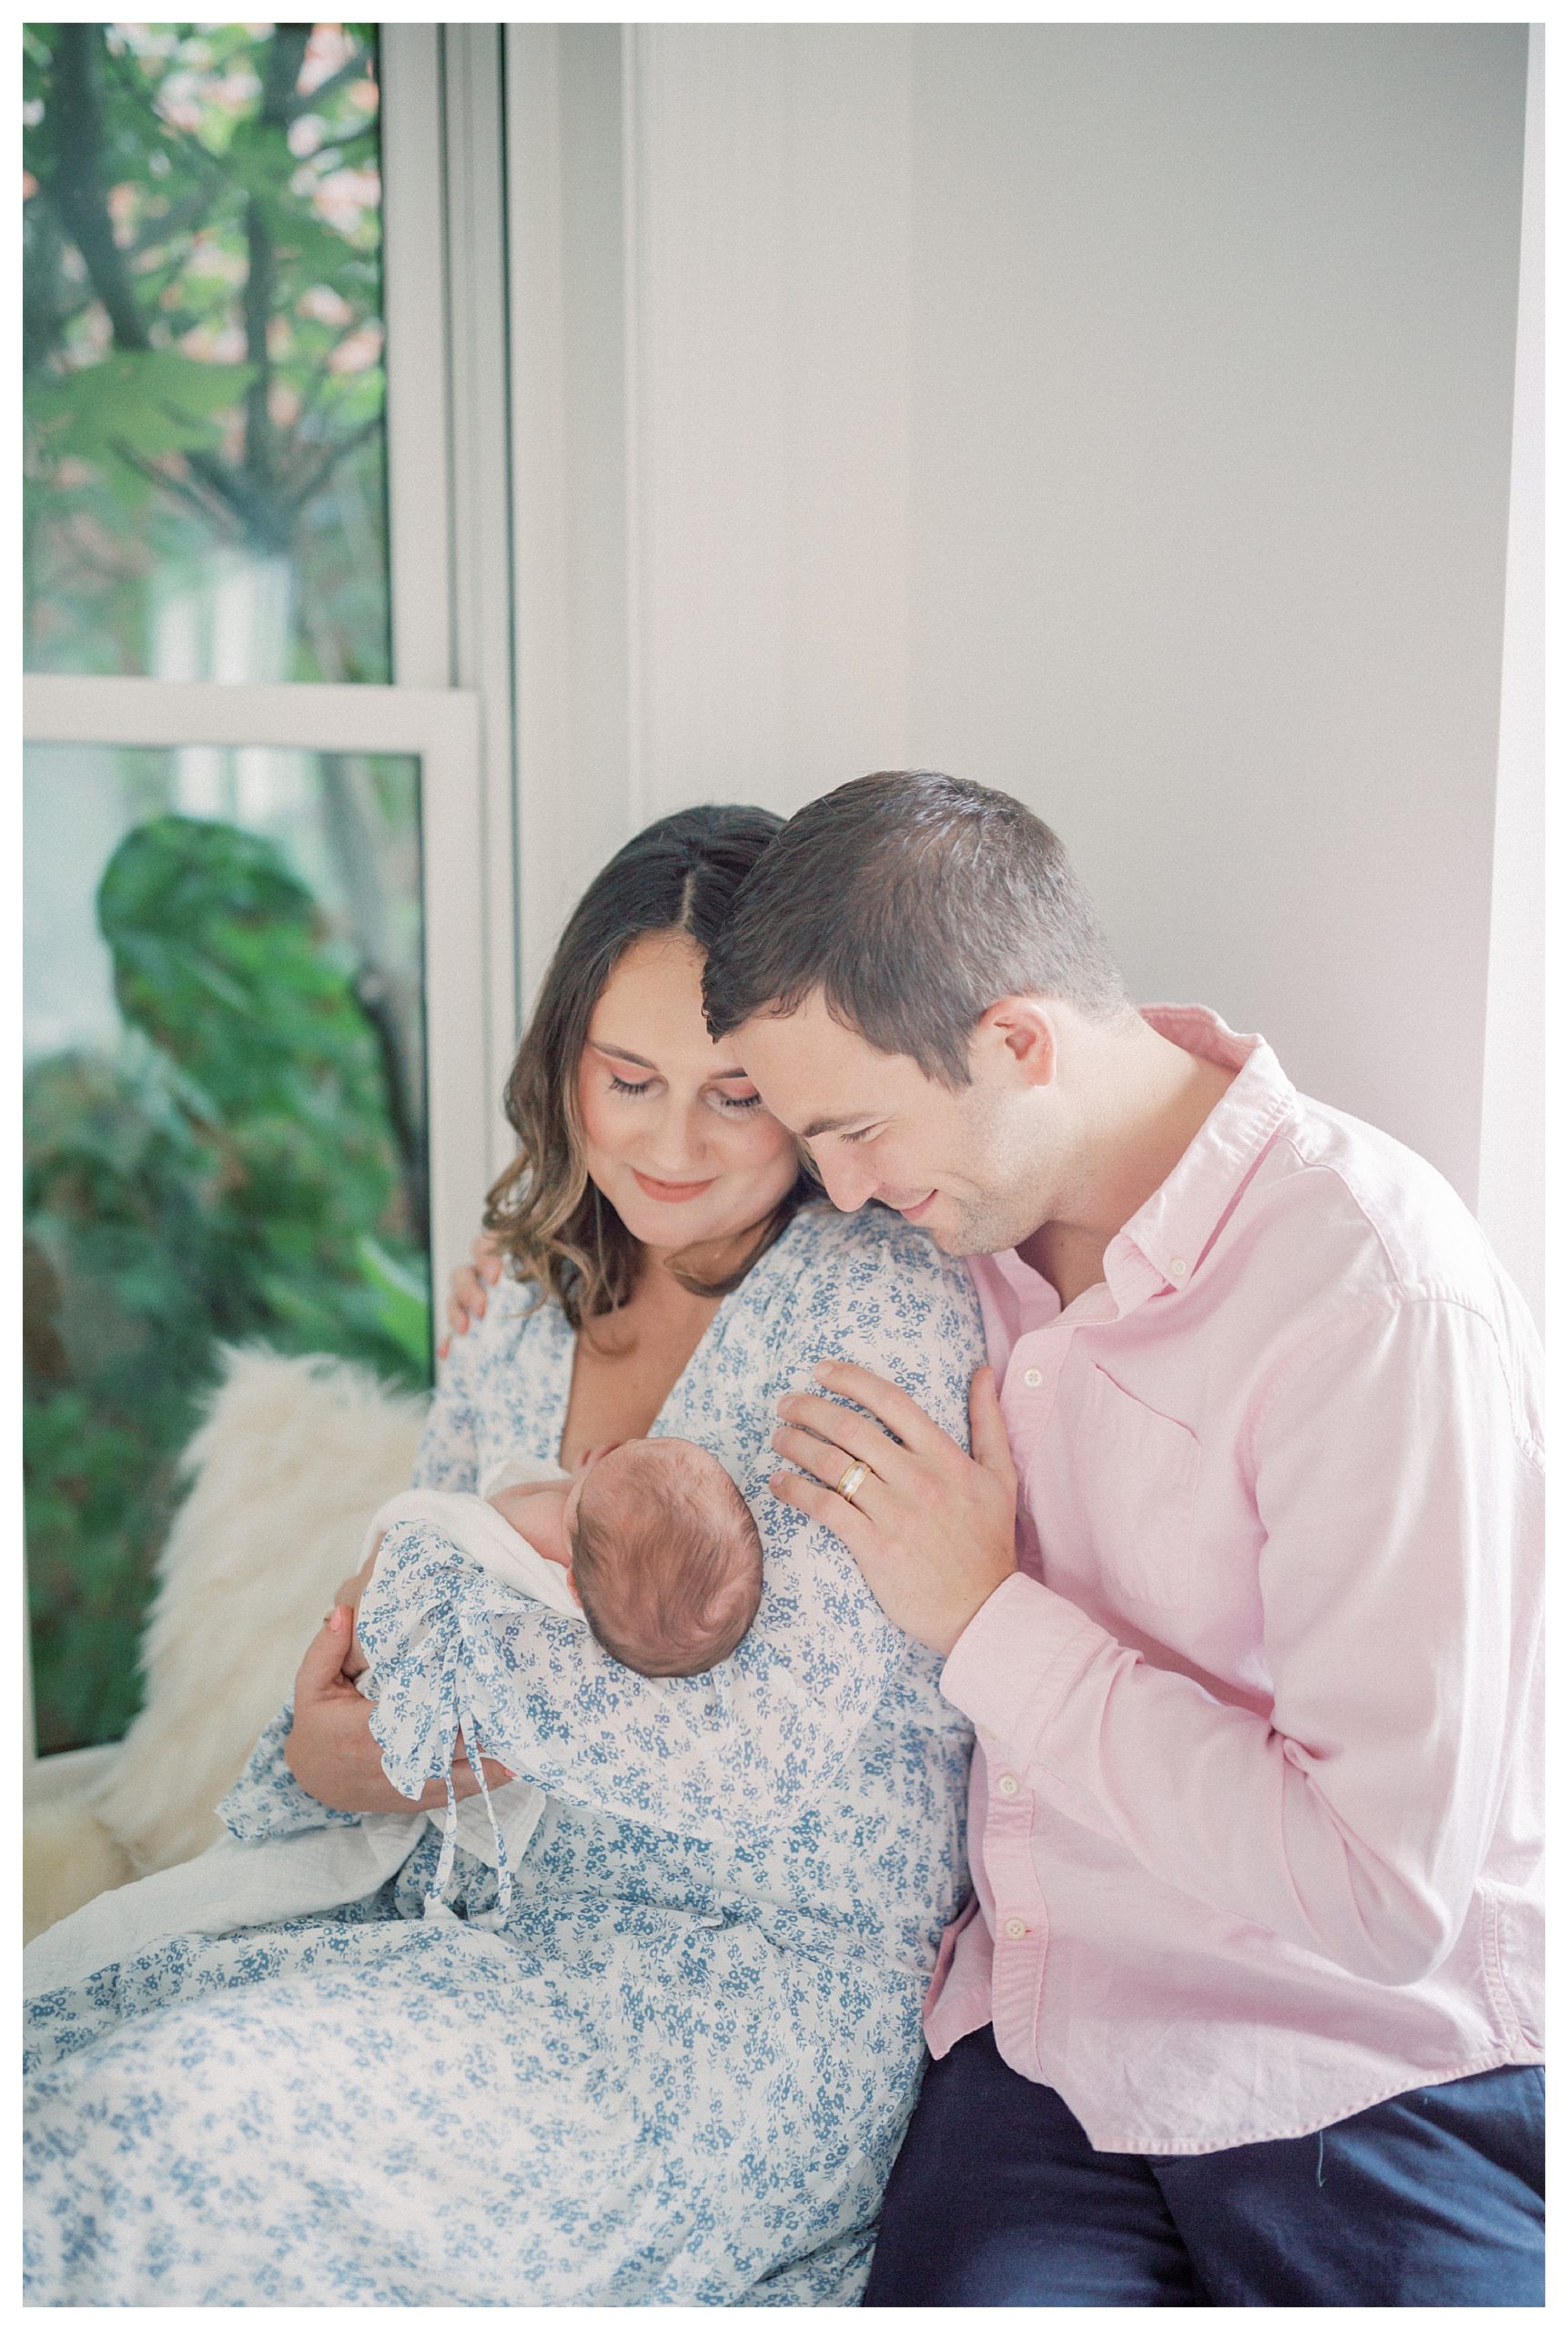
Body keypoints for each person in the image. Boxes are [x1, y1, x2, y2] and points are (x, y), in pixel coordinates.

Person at [22, 804, 987, 2307]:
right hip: (465, 1927)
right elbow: (394, 1619)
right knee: (50, 2079)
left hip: (718, 2015)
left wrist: (437, 1719)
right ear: (564, 1065)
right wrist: (338, 1748)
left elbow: (757, 1750)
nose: (670, 1146)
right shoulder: (530, 1299)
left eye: (736, 1095)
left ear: (806, 1092)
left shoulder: (871, 1303)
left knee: (151, 2124)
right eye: (628, 1078)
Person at [692, 768, 1544, 2308]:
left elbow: (1381, 1897)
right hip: (1043, 2037)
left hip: (1355, 2063)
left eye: (858, 1129)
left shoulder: (1370, 1294)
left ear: (1018, 1041)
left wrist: (986, 1620)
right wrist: (535, 1250)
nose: (839, 1191)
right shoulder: (941, 1238)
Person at [343, 1433, 765, 1684]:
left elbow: (494, 1505)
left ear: (574, 1587)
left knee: (352, 1621)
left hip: (393, 1615)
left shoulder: (543, 1527)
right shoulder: (620, 1599)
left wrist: (574, 1483)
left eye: (572, 1501)